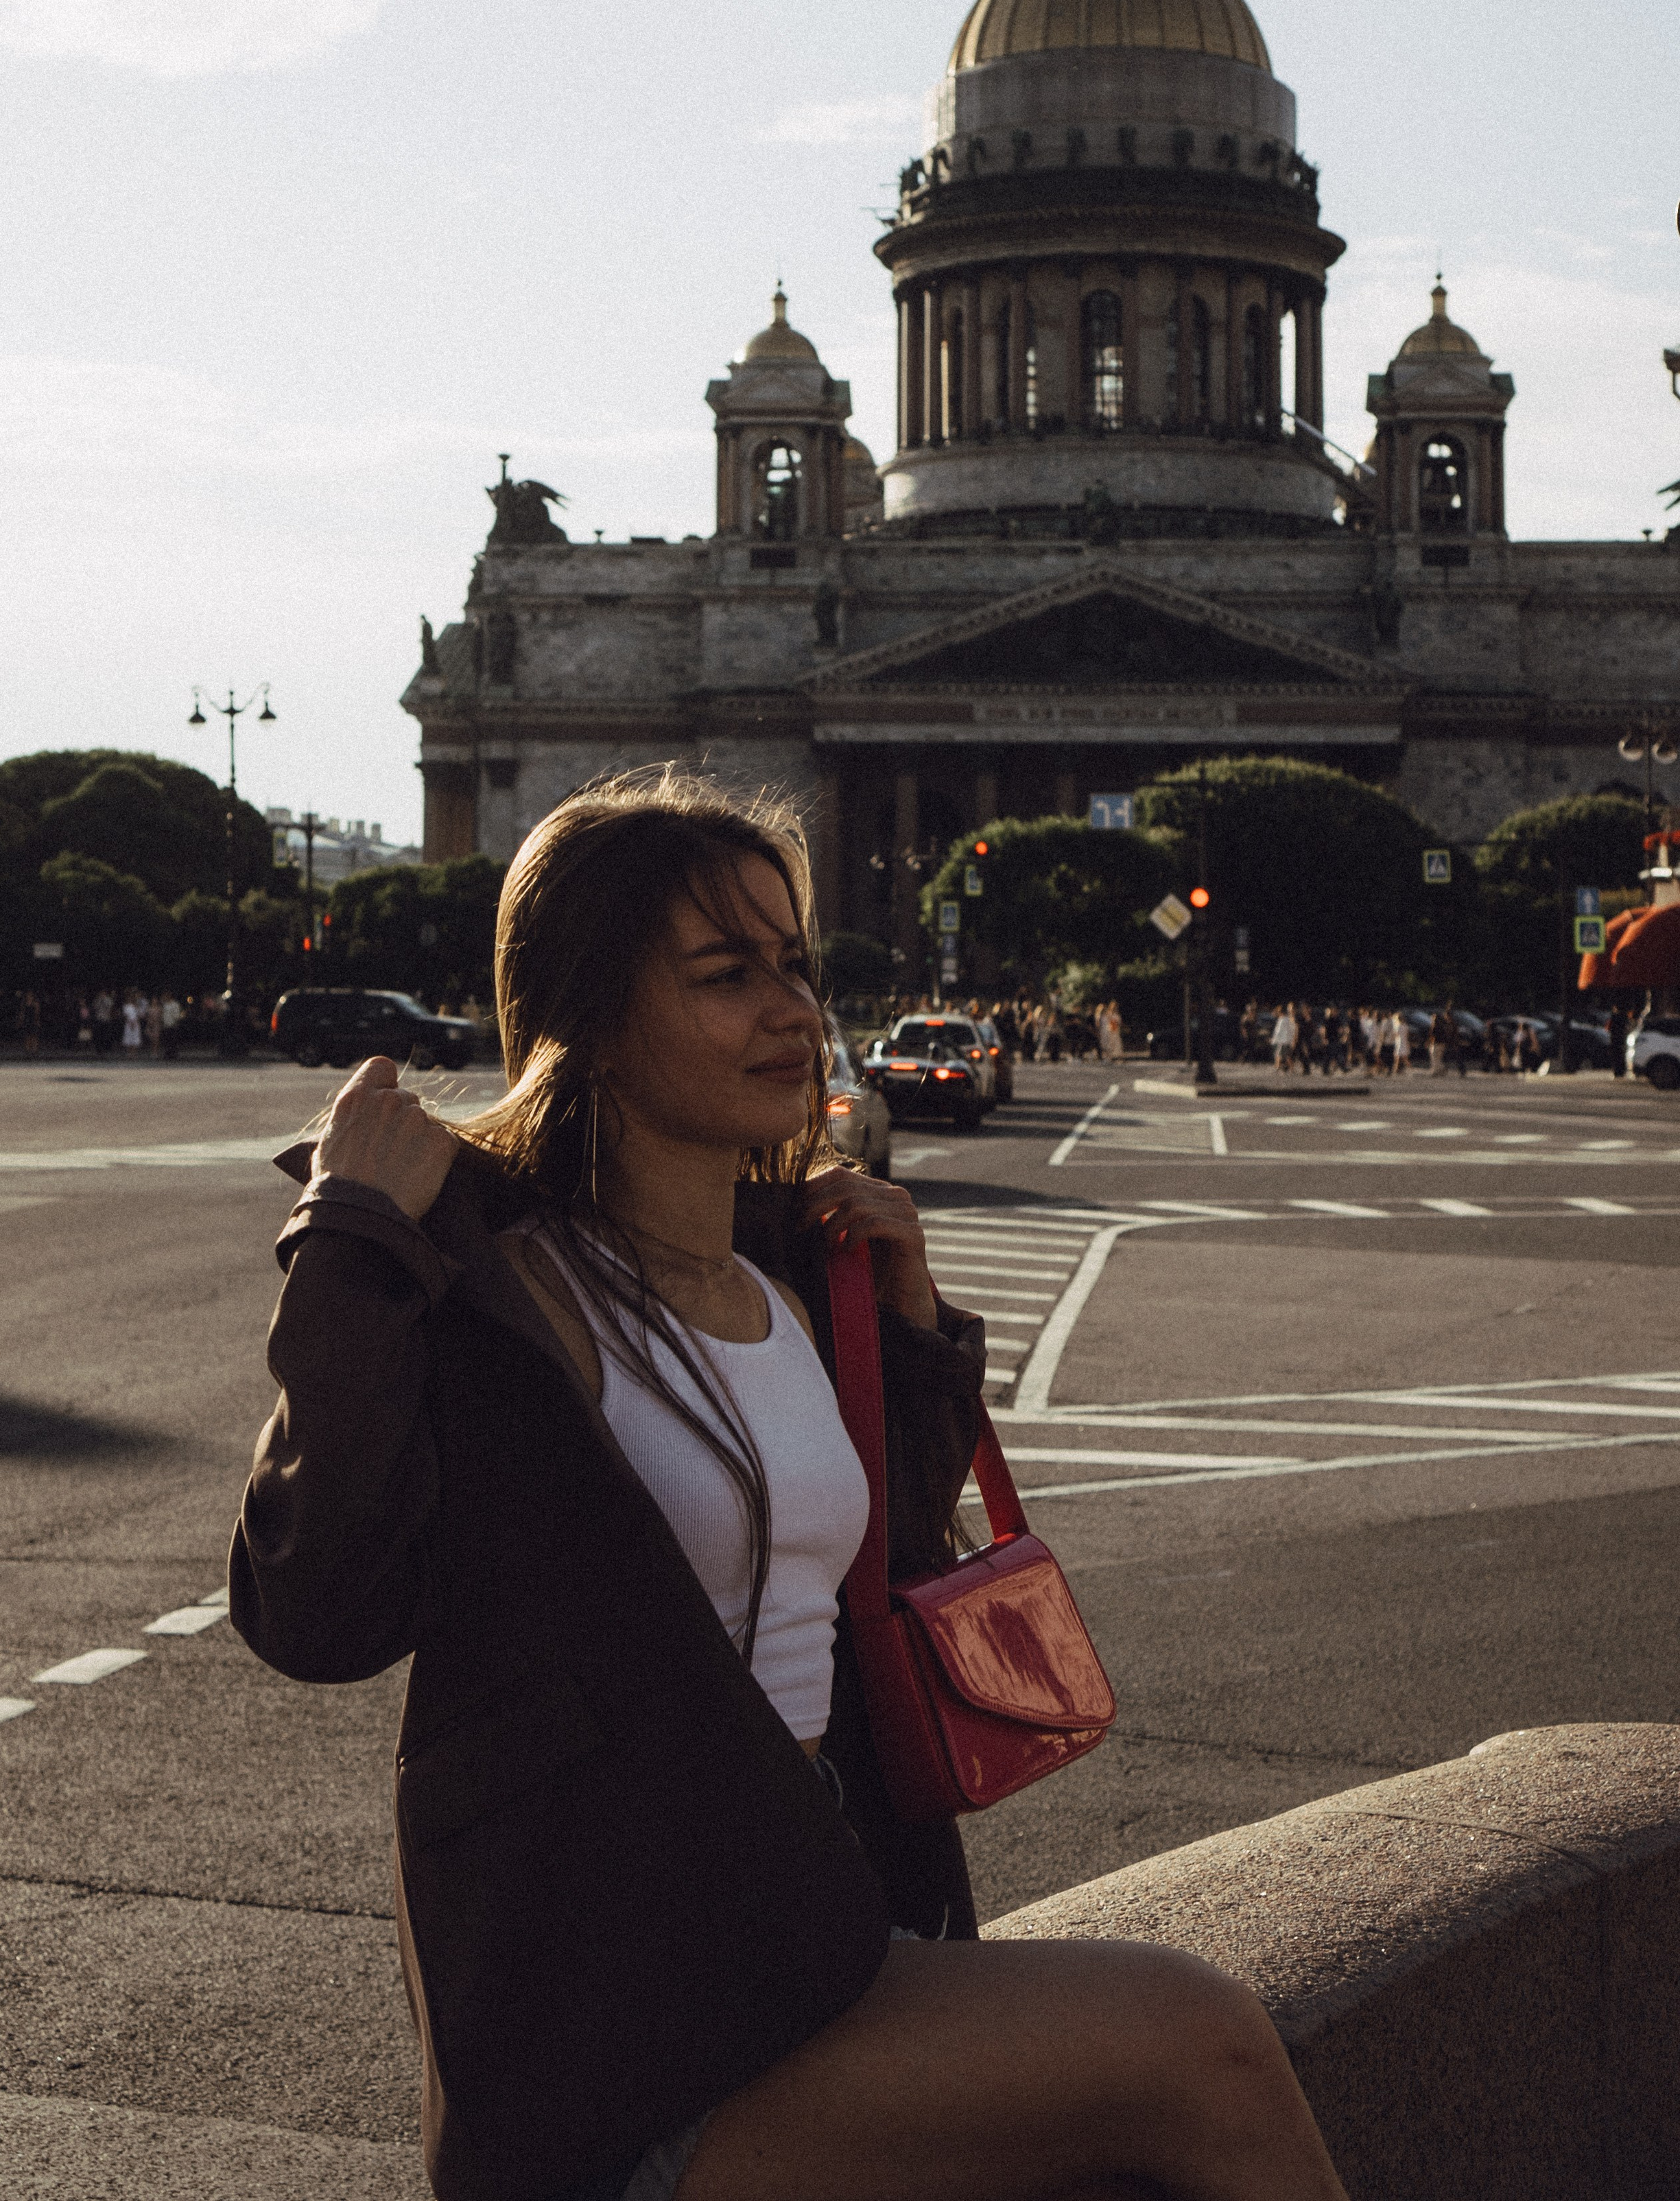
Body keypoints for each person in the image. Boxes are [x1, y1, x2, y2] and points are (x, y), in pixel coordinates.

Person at [230, 770, 1349, 2201]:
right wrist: (350, 1237)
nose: (791, 1011)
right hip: (627, 2010)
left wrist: (910, 1331)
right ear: (590, 1019)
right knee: (1206, 2044)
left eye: (794, 965)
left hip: (812, 1917)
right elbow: (315, 1609)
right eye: (725, 975)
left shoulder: (787, 1287)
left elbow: (878, 1573)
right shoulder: (514, 1302)